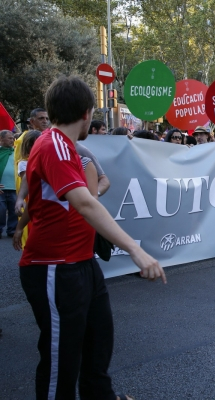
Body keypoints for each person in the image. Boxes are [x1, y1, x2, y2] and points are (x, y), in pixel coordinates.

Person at [15, 75, 166, 400]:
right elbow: (84, 202)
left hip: (81, 263)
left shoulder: (66, 146)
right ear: (86, 113)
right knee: (62, 365)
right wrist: (135, 251)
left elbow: (70, 198)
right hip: (54, 268)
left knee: (98, 347)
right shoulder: (53, 144)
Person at [0, 130, 17, 238]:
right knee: (0, 210)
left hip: (14, 187)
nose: (12, 140)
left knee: (14, 210)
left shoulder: (16, 151)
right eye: (9, 138)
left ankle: (12, 230)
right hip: (1, 187)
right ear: (1, 139)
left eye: (13, 138)